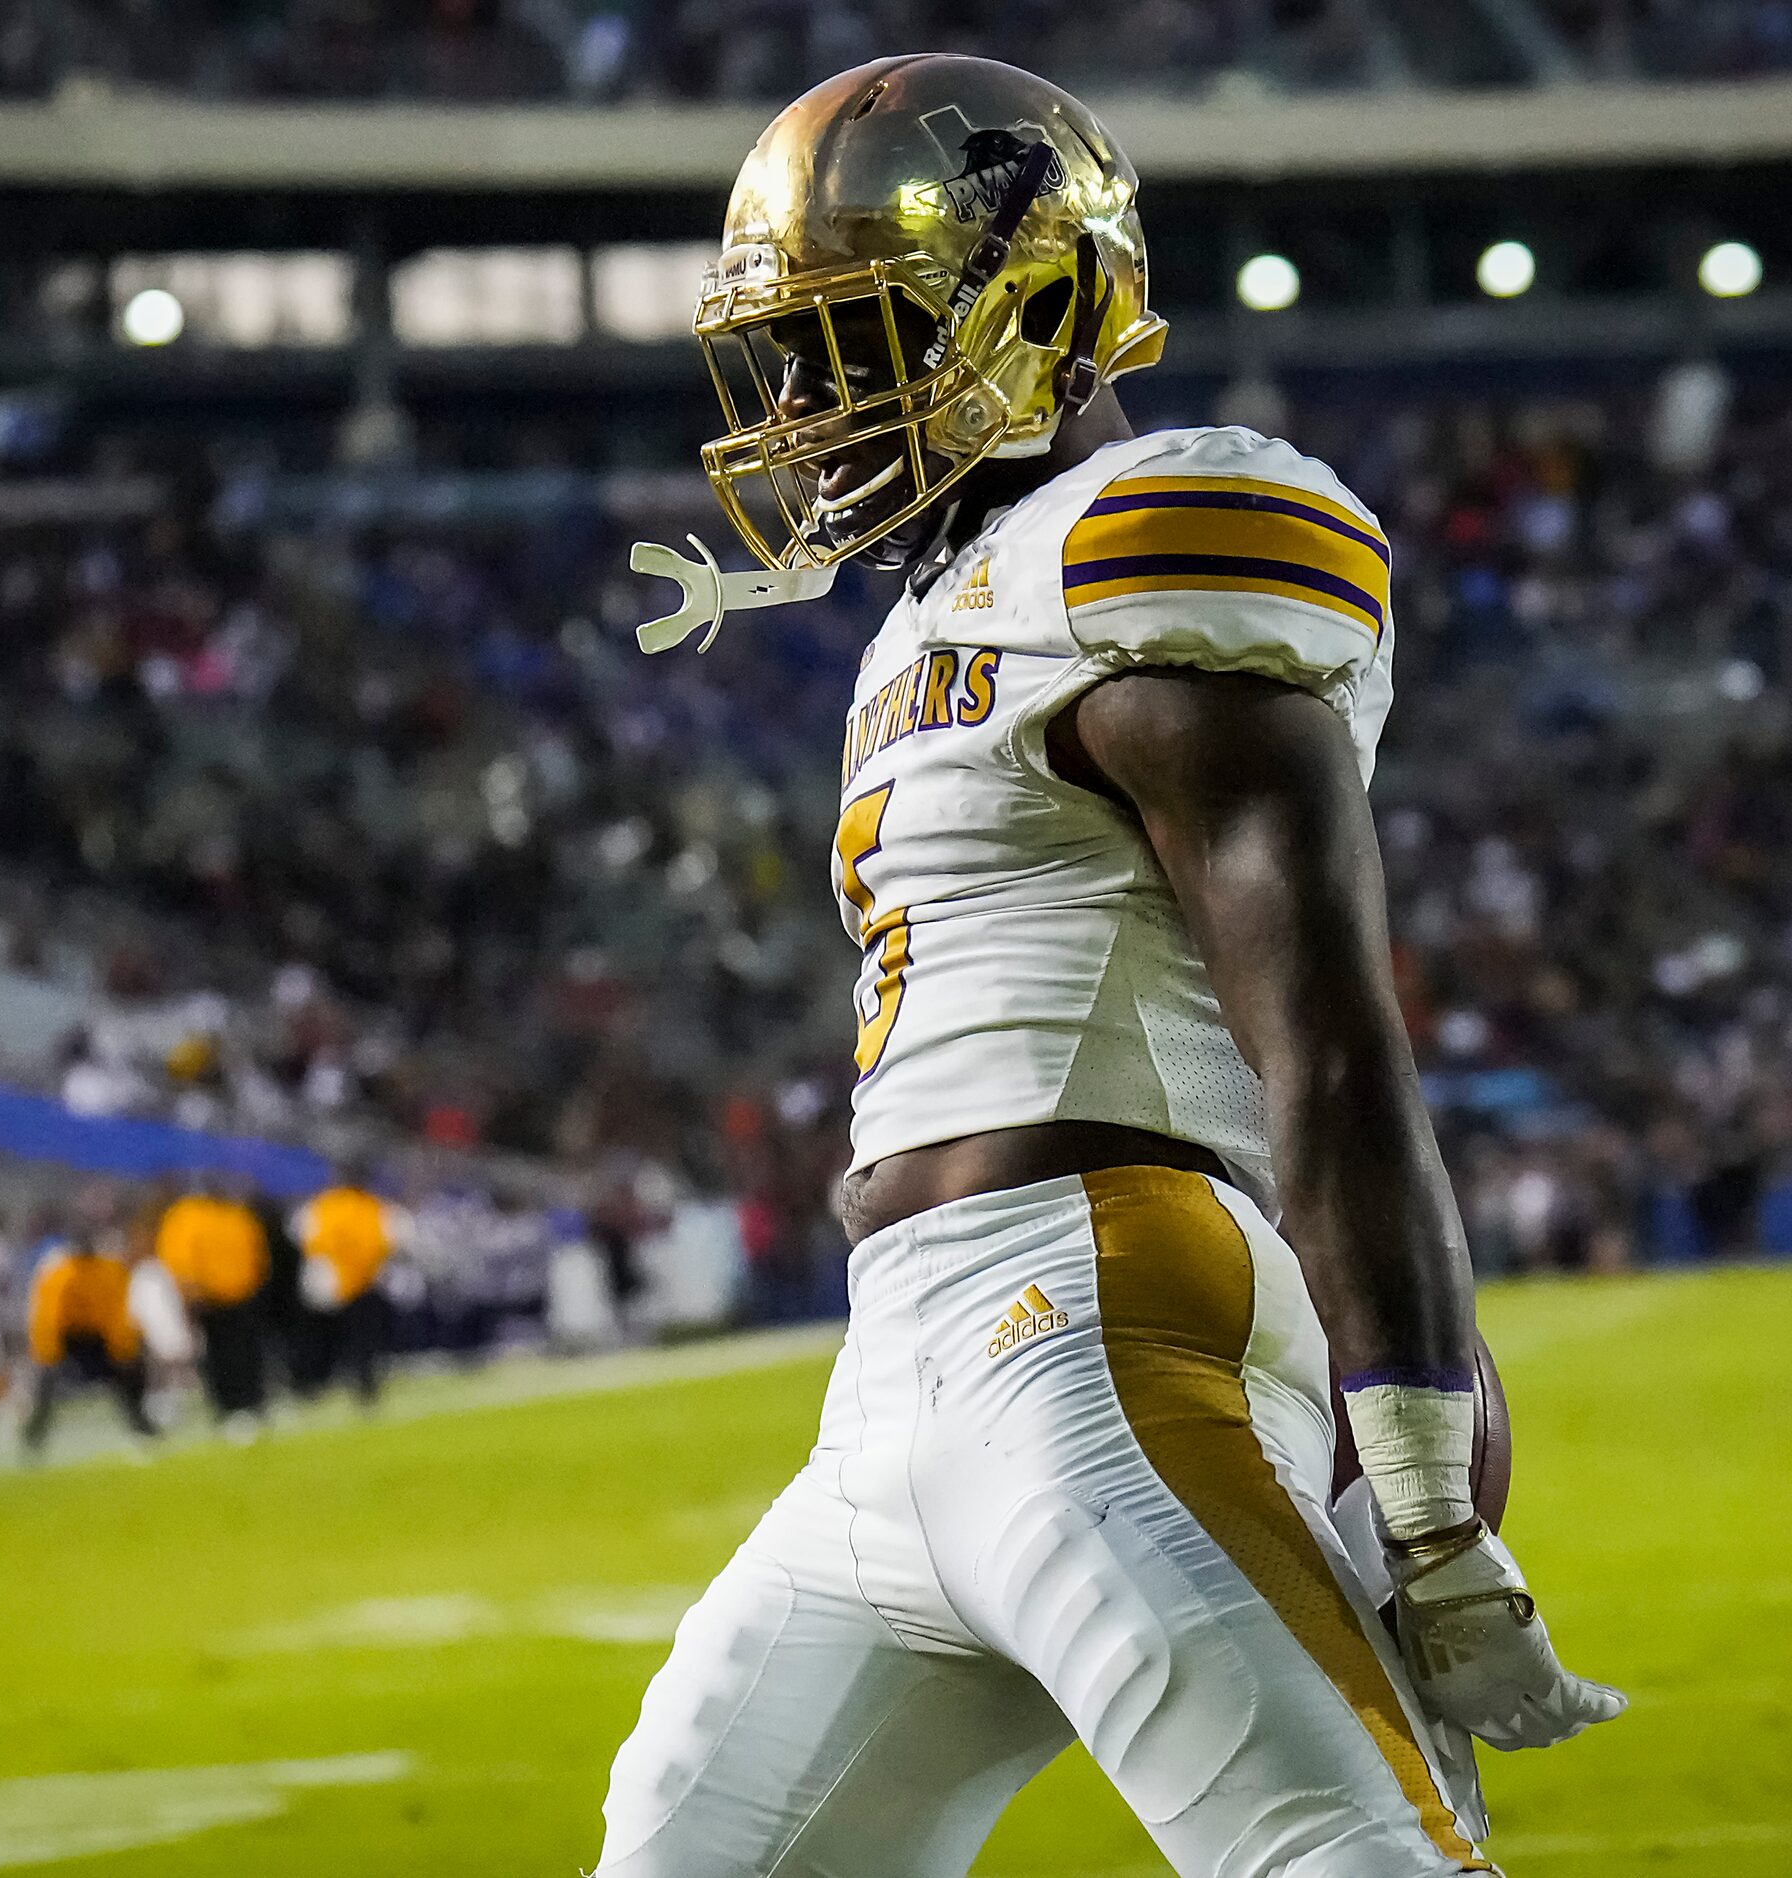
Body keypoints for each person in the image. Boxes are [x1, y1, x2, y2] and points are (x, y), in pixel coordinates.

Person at [598, 57, 1619, 1878]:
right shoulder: (928, 612)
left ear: (1044, 305)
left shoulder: (1145, 538)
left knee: (1339, 1852)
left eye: (862, 345)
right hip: (894, 1374)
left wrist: (1424, 1472)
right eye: (796, 358)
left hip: (1098, 1316)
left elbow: (1324, 1039)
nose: (813, 412)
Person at [21, 1222, 155, 1452]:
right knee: (46, 1381)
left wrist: (123, 1347)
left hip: (101, 1339)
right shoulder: (60, 1274)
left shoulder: (110, 1270)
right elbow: (49, 1319)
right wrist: (48, 1354)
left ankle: (140, 1424)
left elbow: (118, 1312)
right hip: (70, 1339)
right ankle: (35, 1435)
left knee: (133, 1370)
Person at [153, 1176, 271, 1433]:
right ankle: (227, 1408)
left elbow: (255, 1251)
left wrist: (253, 1284)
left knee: (247, 1354)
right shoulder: (188, 1216)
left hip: (241, 1296)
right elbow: (178, 1260)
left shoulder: (236, 1214)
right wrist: (190, 1292)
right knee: (217, 1357)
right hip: (207, 1299)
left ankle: (252, 1403)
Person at [287, 1175, 409, 1403]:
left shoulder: (321, 1207)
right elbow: (395, 1240)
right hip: (358, 1280)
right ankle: (360, 1386)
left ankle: (314, 1385)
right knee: (357, 1339)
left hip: (330, 1282)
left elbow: (299, 1236)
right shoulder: (372, 1206)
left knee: (325, 1339)